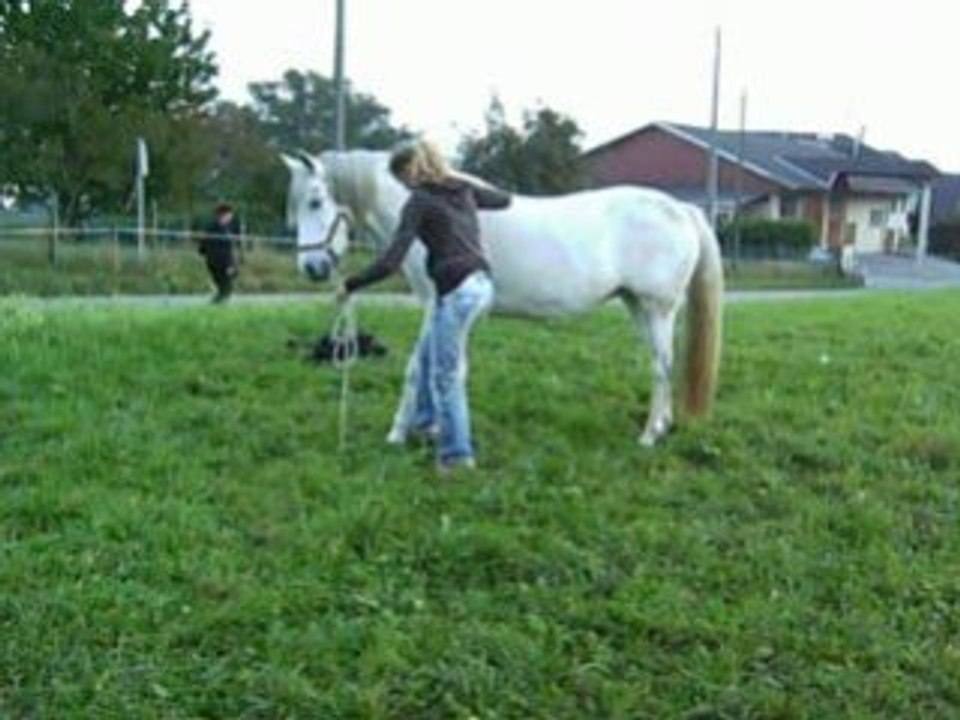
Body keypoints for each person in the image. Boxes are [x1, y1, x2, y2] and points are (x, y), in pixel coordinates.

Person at [336, 140, 511, 473]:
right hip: (479, 284)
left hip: (458, 290)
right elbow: (504, 200)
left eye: (402, 178)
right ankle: (425, 423)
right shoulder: (462, 190)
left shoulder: (420, 201)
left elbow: (391, 261)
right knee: (430, 354)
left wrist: (351, 284)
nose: (403, 186)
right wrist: (465, 186)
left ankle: (457, 457)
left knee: (447, 377)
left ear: (410, 171)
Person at [198, 202, 241, 303]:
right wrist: (229, 265)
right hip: (218, 262)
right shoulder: (214, 228)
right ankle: (216, 304)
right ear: (223, 215)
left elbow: (203, 246)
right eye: (229, 215)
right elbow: (212, 247)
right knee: (226, 287)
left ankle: (216, 303)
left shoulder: (227, 228)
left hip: (221, 261)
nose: (231, 217)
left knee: (226, 286)